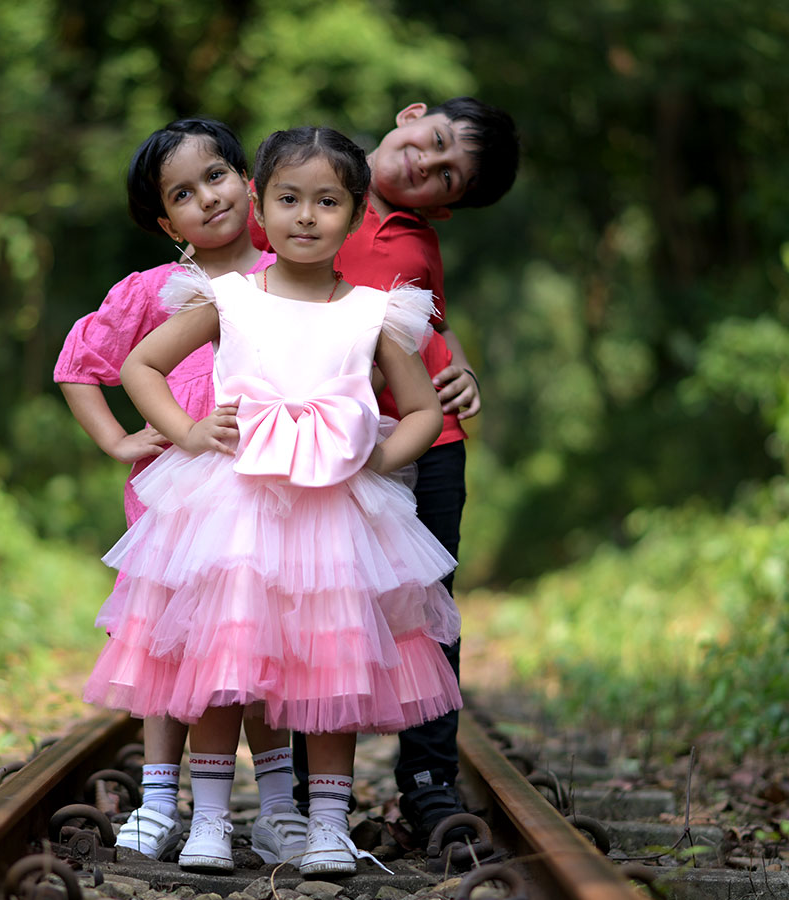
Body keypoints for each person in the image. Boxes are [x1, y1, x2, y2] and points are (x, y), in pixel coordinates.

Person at [83, 125, 462, 877]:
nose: (306, 217)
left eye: (328, 202)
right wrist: (188, 432)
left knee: (331, 664)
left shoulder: (374, 311)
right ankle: (214, 821)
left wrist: (382, 454)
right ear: (263, 202)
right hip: (237, 503)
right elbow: (140, 367)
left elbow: (421, 409)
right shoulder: (227, 298)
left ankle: (326, 823)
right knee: (224, 659)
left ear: (356, 217)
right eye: (289, 199)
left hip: (334, 514)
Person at [249, 98, 520, 846]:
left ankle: (429, 782)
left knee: (425, 607)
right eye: (431, 143)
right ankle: (307, 792)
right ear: (410, 115)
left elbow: (429, 322)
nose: (425, 165)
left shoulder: (419, 243)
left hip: (425, 441)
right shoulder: (311, 184)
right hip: (317, 442)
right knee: (312, 599)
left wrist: (458, 361)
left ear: (449, 208)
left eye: (447, 177)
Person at [54, 118, 307, 866]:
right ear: (168, 223)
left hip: (272, 497)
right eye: (183, 195)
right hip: (175, 509)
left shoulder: (288, 272)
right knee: (172, 647)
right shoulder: (155, 291)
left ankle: (280, 806)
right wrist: (116, 439)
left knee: (259, 650)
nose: (207, 198)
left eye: (217, 177)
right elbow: (81, 362)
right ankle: (162, 800)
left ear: (249, 183)